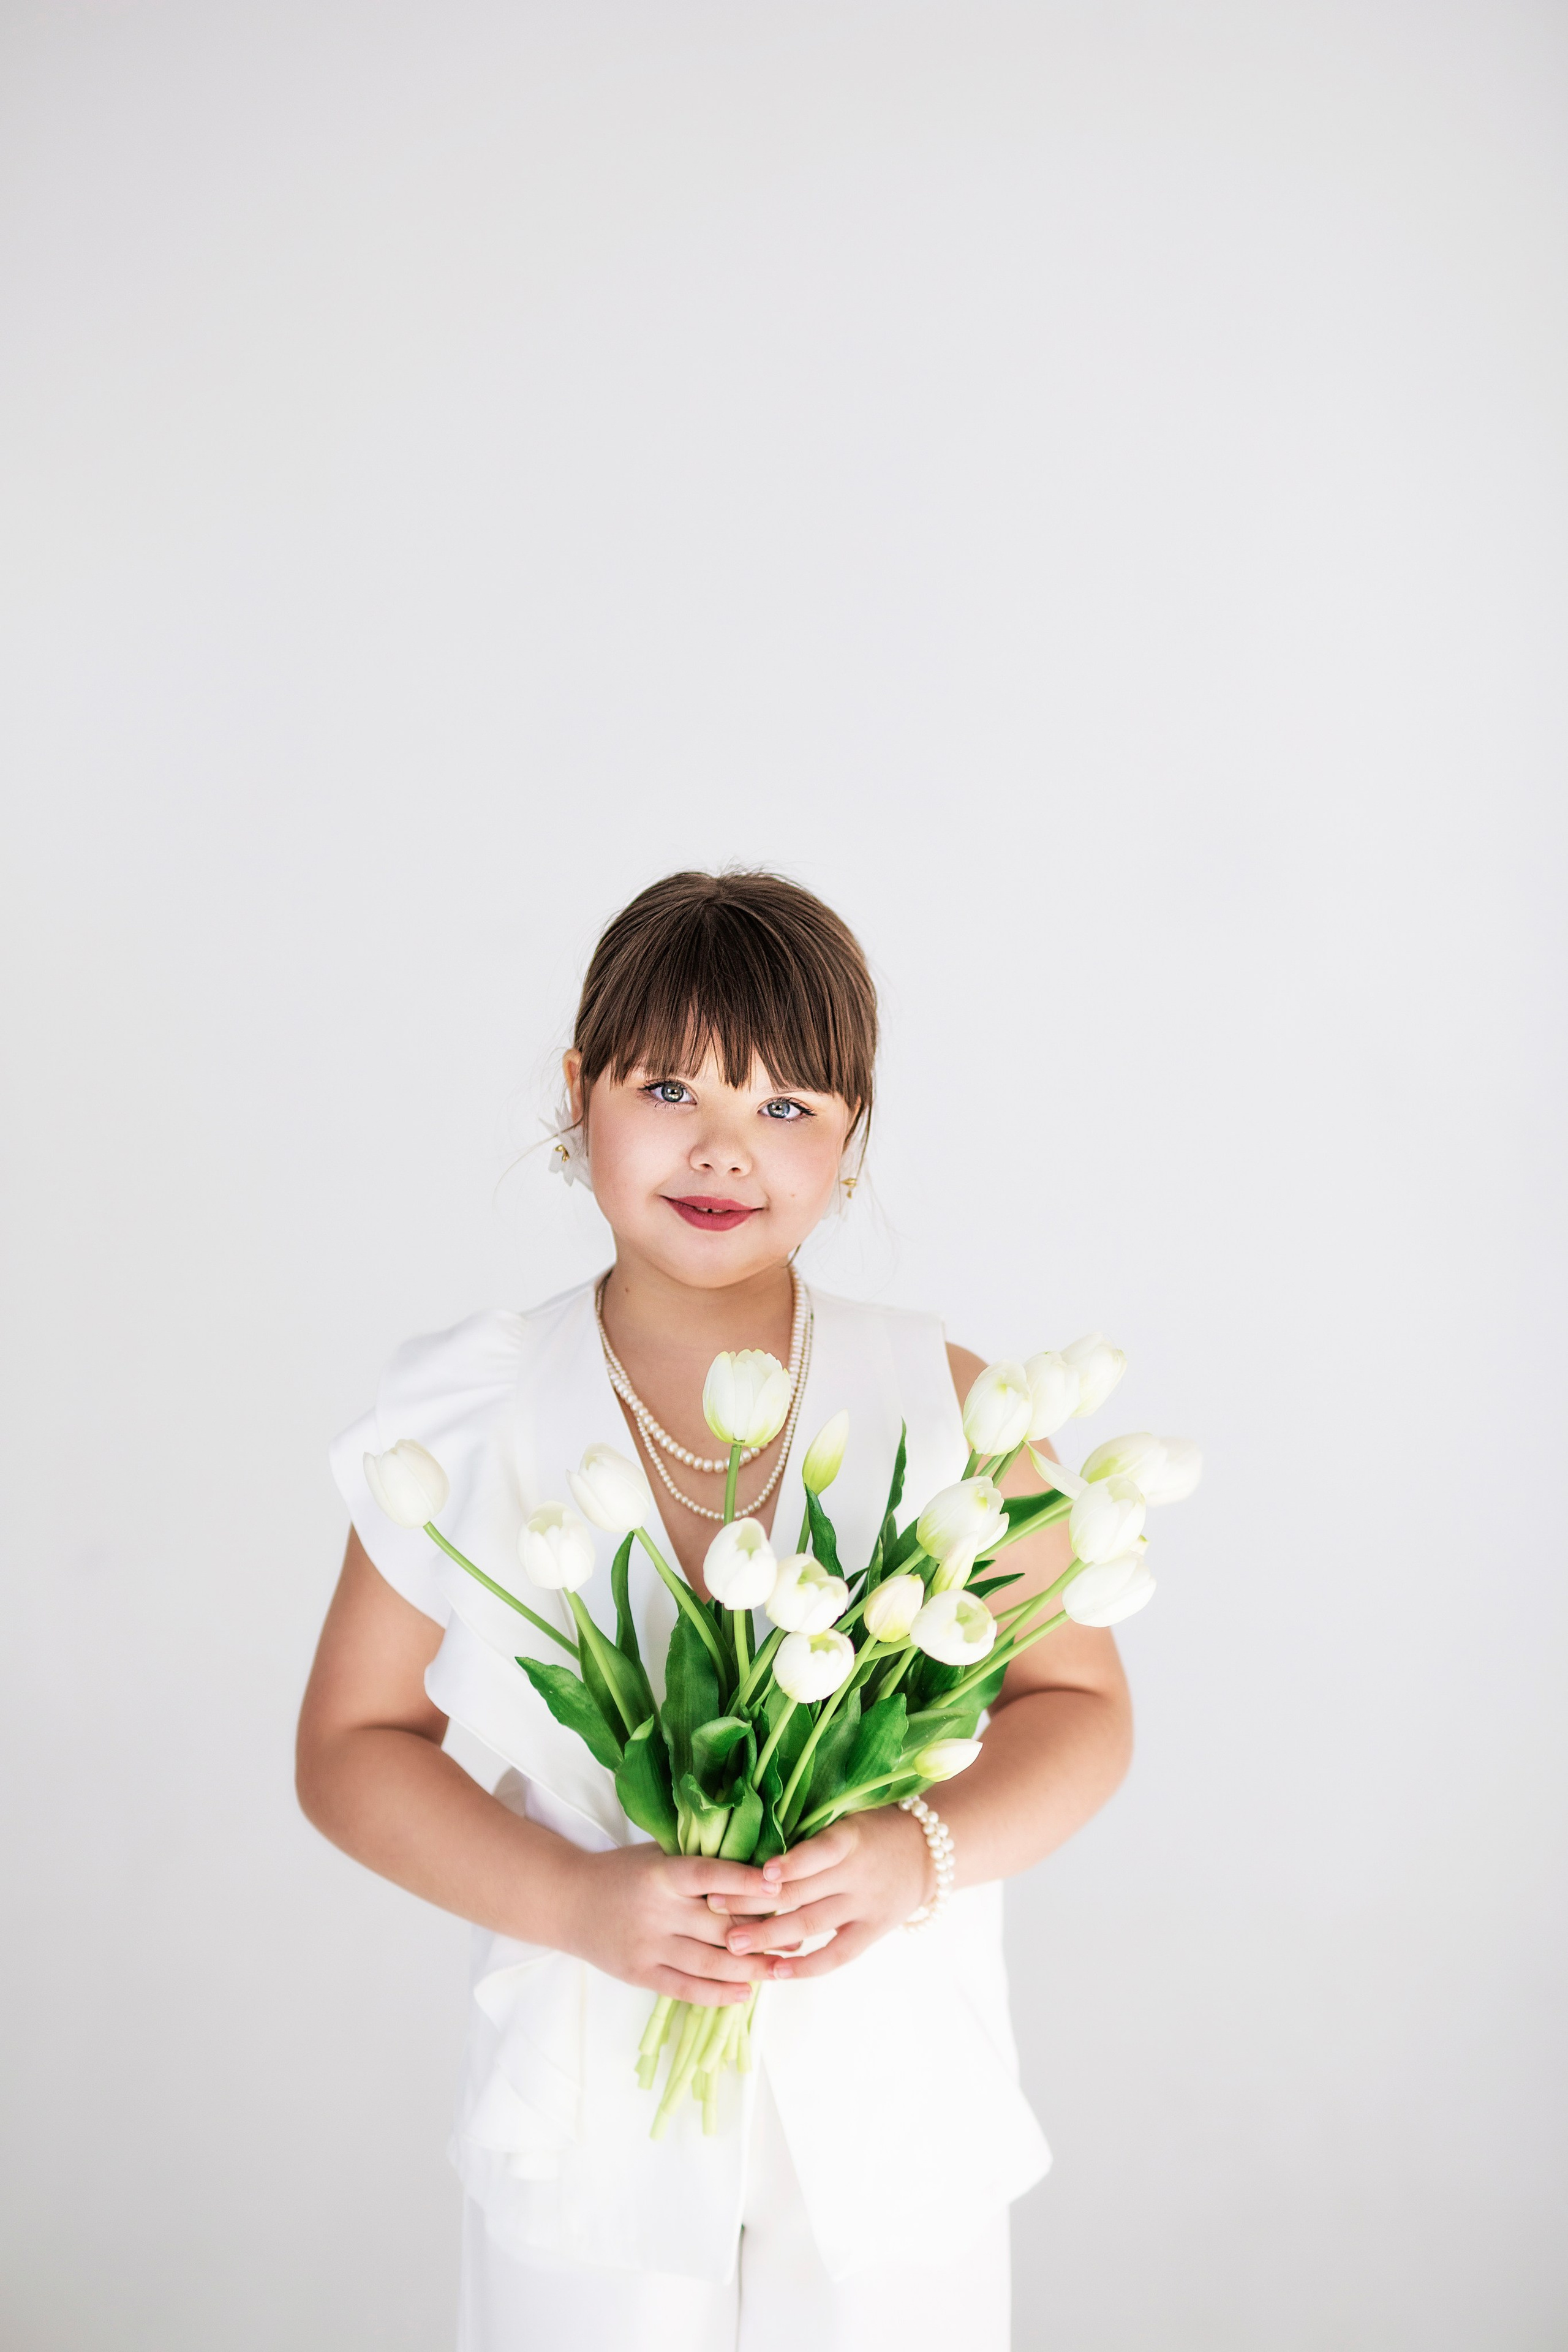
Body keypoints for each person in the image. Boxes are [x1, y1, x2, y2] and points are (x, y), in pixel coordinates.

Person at [296, 868, 1133, 2351]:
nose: (723, 1149)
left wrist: (913, 1854)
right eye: (669, 1085)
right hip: (591, 2083)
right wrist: (570, 1901)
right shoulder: (475, 1413)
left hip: (887, 2096)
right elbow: (354, 1742)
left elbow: (1078, 1706)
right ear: (578, 1095)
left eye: (788, 1107)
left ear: (852, 1138)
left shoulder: (955, 1411)